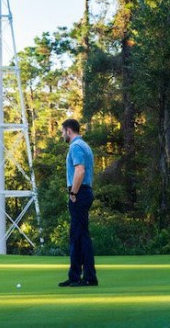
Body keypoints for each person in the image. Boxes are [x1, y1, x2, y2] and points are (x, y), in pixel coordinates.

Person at [58, 119, 98, 287]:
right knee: (76, 235)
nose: (62, 134)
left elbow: (79, 170)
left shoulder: (76, 147)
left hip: (80, 193)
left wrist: (73, 193)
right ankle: (75, 275)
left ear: (68, 130)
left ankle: (89, 277)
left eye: (62, 131)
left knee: (81, 236)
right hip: (83, 192)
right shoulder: (85, 146)